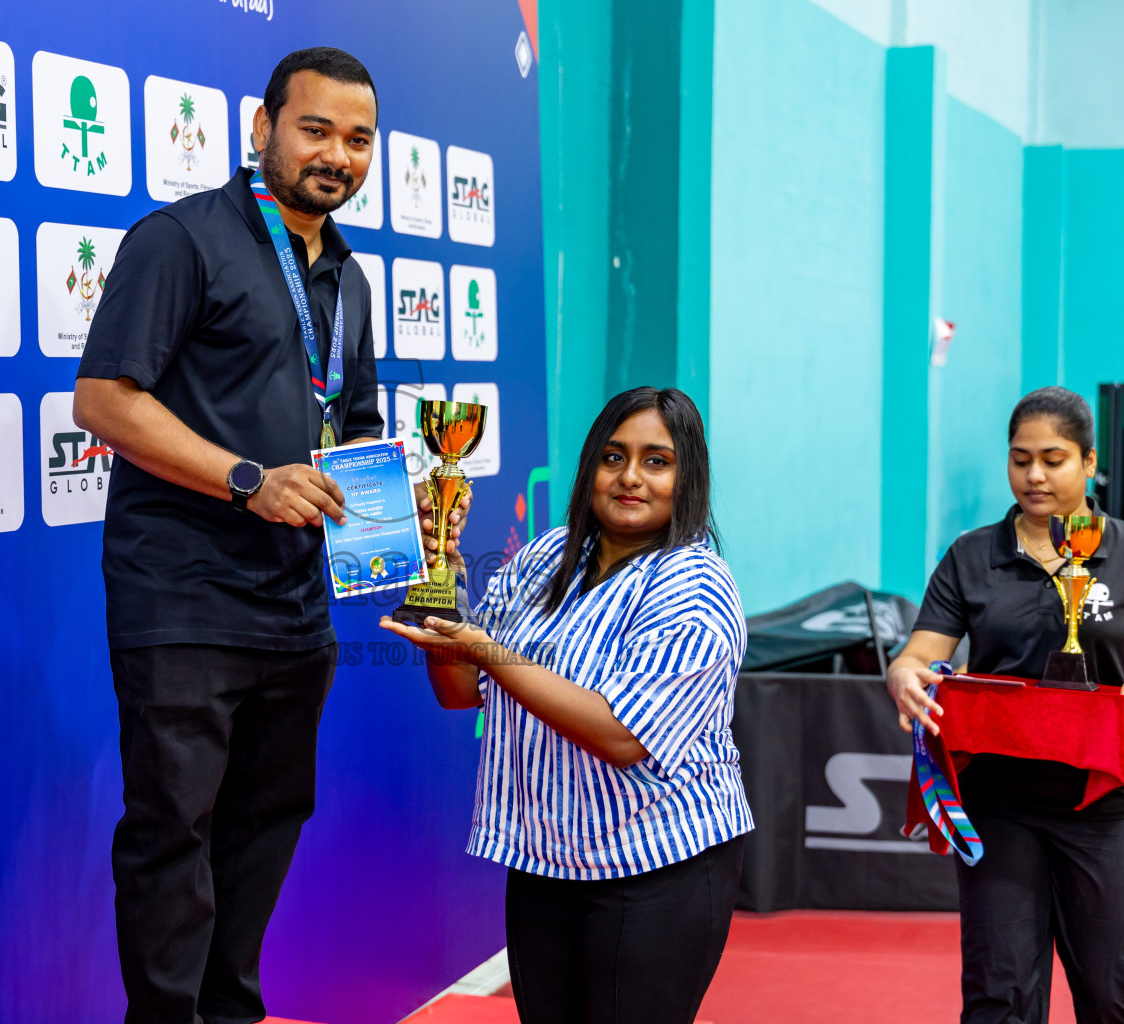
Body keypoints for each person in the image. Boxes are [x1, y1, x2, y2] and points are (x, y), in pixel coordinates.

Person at [73, 47, 463, 1024]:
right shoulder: (182, 240)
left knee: (264, 827)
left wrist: (400, 514)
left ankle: (230, 1011)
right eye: (316, 129)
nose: (337, 154)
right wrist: (247, 480)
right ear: (263, 130)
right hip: (183, 602)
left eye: (359, 138)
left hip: (296, 611)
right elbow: (104, 401)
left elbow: (361, 428)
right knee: (173, 833)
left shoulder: (352, 278)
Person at [382, 387, 752, 1024]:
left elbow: (620, 735)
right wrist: (433, 570)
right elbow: (460, 692)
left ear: (687, 477)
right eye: (613, 457)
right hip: (544, 857)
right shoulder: (545, 556)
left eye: (656, 461)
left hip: (657, 864)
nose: (630, 476)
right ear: (589, 469)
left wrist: (481, 646)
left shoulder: (698, 585)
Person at [886, 385, 1124, 1023]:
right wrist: (903, 678)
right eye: (1020, 459)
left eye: (1053, 458)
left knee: (1114, 996)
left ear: (1089, 463)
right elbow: (916, 655)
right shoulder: (971, 556)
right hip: (998, 807)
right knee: (998, 994)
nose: (1034, 475)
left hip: (1107, 807)